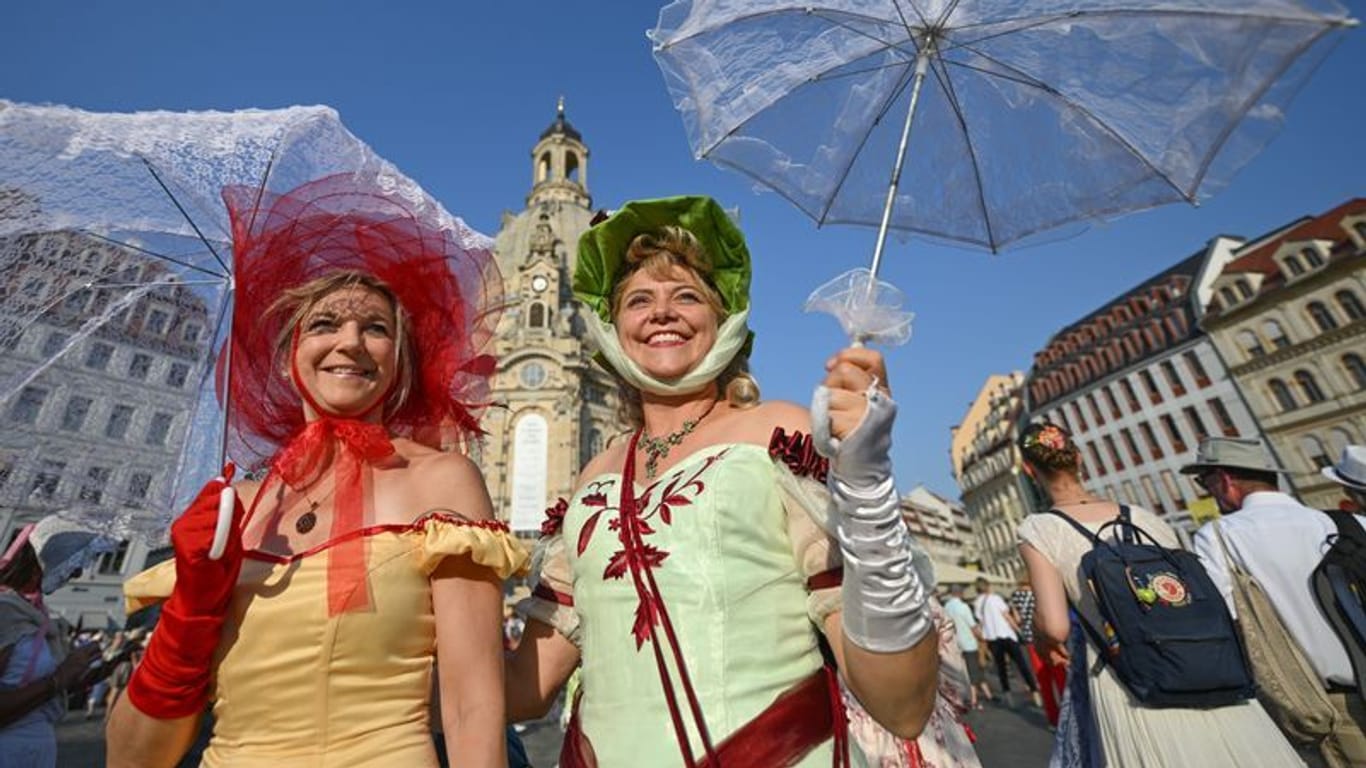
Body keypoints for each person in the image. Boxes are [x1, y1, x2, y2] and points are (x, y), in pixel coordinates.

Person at [106, 174, 528, 768]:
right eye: (325, 324)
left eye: (375, 328)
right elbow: (132, 757)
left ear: (399, 363)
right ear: (286, 360)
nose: (350, 342)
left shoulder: (441, 480)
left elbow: (471, 709)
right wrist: (189, 612)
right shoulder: (237, 507)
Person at [505, 196, 943, 767]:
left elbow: (900, 704)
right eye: (639, 299)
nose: (662, 311)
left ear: (725, 316)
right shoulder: (596, 475)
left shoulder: (776, 431)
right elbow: (526, 689)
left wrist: (866, 486)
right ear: (612, 329)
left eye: (686, 295)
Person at [1016, 422, 1302, 767]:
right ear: (1079, 458)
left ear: (1030, 470)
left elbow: (1055, 626)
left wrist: (1044, 639)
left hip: (1126, 677)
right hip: (1201, 663)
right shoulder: (1142, 517)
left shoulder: (1041, 528)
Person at [1189, 437, 1366, 766]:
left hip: (1319, 708)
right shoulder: (1348, 523)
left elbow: (1226, 620)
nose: (1206, 490)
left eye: (1205, 481)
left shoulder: (1220, 536)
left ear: (1225, 479)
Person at [0, 519, 106, 768]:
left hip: (33, 751)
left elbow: (42, 687)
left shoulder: (37, 614)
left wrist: (87, 670)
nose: (77, 573)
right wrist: (61, 675)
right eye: (73, 563)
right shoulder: (5, 613)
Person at [973, 577, 1038, 706]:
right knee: (1021, 664)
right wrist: (1017, 629)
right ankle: (1035, 693)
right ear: (988, 586)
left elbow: (980, 621)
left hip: (992, 638)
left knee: (1001, 667)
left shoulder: (977, 602)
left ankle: (1009, 697)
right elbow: (1006, 616)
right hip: (1006, 634)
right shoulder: (996, 598)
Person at [1010, 576, 1062, 724]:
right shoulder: (1039, 592)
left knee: (1043, 679)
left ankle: (1053, 717)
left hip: (1030, 639)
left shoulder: (1016, 597)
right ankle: (1069, 714)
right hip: (1046, 636)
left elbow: (1017, 620)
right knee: (1059, 675)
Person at [943, 584, 992, 709]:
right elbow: (972, 625)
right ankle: (974, 699)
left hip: (956, 643)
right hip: (969, 642)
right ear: (961, 593)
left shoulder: (947, 606)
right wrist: (981, 636)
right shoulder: (963, 607)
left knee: (970, 669)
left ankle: (988, 694)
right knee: (973, 670)